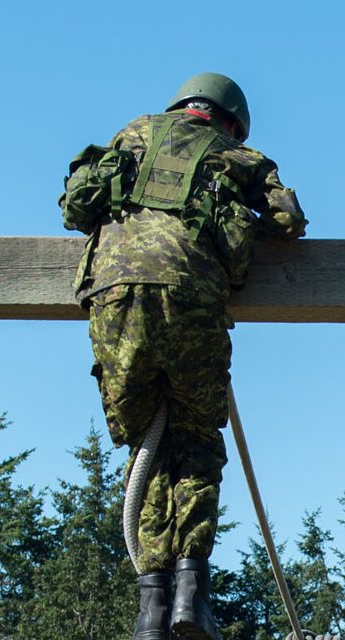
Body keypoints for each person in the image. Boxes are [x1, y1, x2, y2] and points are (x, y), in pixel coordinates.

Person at [59, 72, 308, 640]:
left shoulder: (131, 134)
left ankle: (151, 609)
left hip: (113, 297)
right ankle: (190, 600)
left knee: (147, 445)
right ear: (232, 122)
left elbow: (77, 207)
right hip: (191, 296)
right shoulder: (240, 156)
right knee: (195, 442)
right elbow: (287, 220)